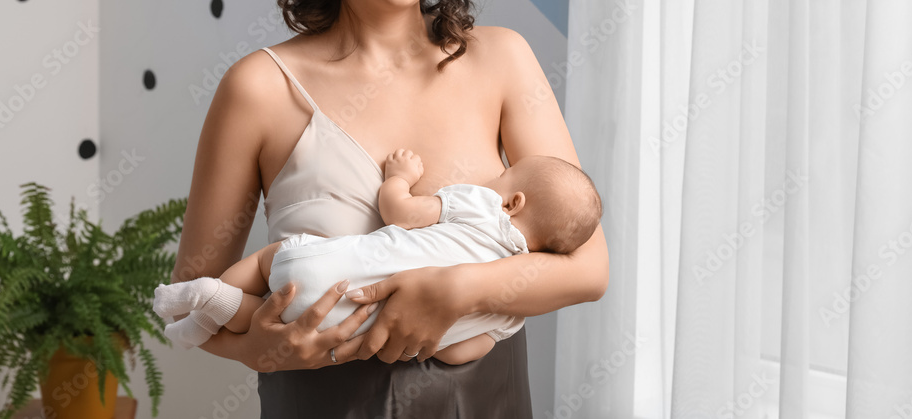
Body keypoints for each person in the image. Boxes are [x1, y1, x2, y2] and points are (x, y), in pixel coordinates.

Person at [170, 0, 609, 418]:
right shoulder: (259, 88)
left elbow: (587, 267)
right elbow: (193, 293)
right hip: (324, 400)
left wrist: (455, 290)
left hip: (484, 402)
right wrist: (258, 352)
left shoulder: (501, 60)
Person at [155, 149, 602, 364]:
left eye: (502, 176)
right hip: (348, 338)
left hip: (320, 267)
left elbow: (401, 212)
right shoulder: (511, 317)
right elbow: (454, 355)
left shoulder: (482, 206)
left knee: (268, 263)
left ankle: (208, 300)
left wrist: (400, 177)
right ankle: (213, 307)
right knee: (268, 312)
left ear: (513, 203)